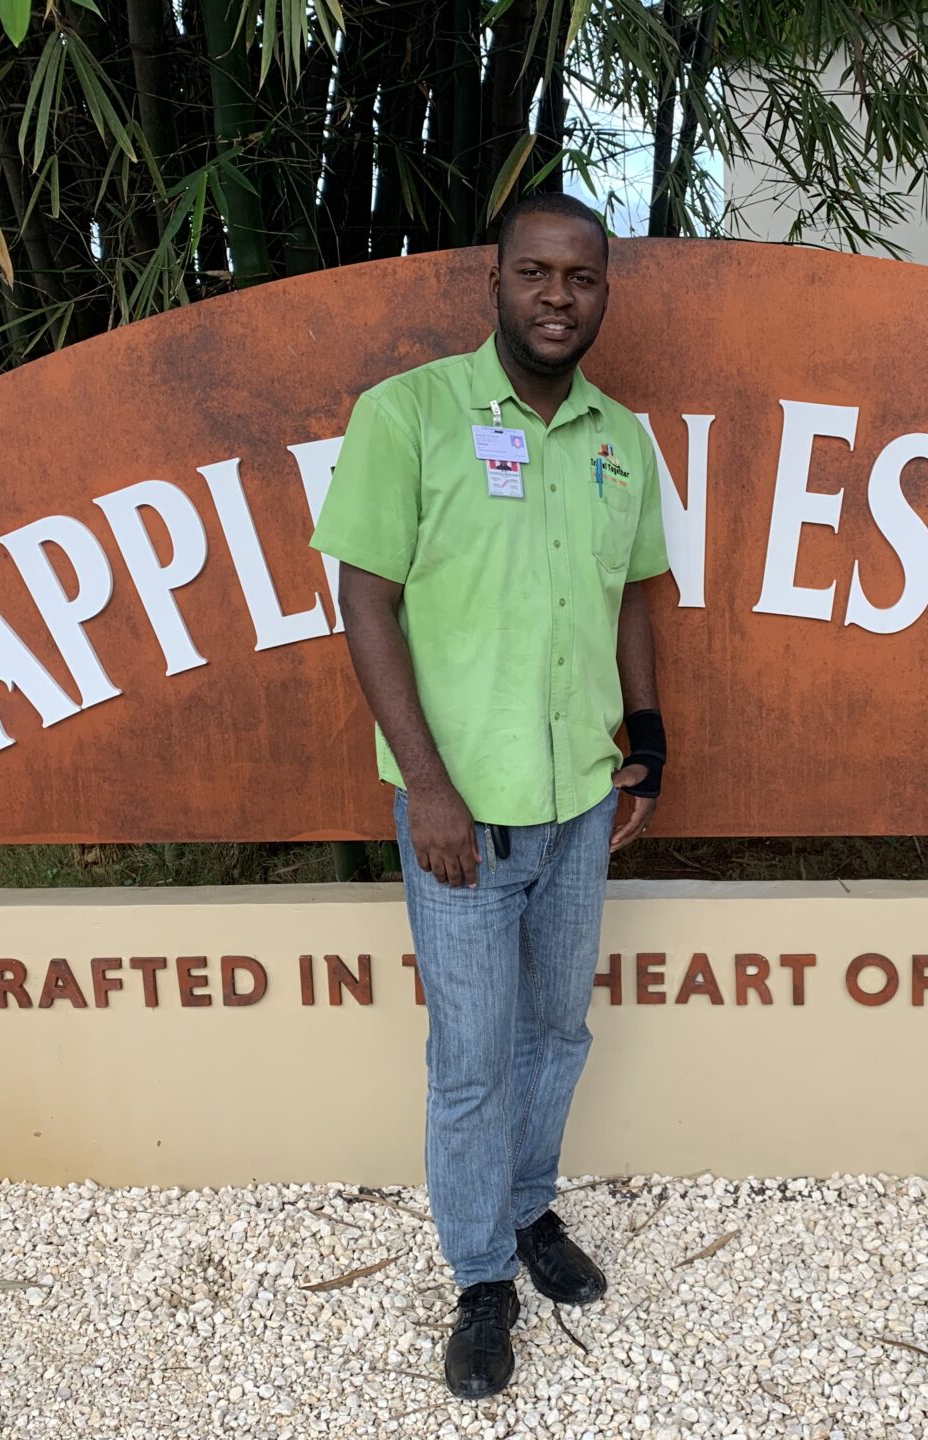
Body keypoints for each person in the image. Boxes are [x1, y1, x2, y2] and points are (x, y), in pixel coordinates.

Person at [308, 193, 669, 1401]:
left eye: (582, 276)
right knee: (470, 1062)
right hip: (459, 815)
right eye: (535, 274)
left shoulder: (623, 436)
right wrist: (428, 787)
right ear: (495, 283)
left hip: (577, 807)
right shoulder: (410, 416)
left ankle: (526, 1211)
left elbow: (633, 593)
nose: (559, 296)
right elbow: (363, 600)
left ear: (604, 290)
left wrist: (649, 738)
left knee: (558, 1033)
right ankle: (478, 1279)